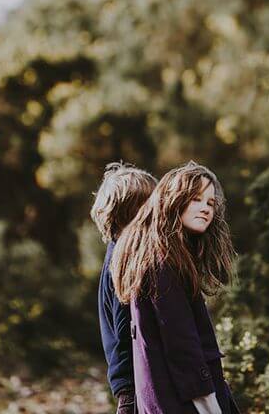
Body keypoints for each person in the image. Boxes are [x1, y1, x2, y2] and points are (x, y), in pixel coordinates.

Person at [111, 161, 240, 414]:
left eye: (210, 203)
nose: (205, 208)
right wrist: (210, 406)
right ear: (174, 200)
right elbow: (182, 346)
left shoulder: (161, 255)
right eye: (196, 200)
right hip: (182, 404)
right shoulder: (164, 263)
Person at [91, 162, 158, 414]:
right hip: (133, 386)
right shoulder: (123, 260)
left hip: (132, 383)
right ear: (130, 212)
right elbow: (124, 328)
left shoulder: (121, 253)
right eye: (149, 206)